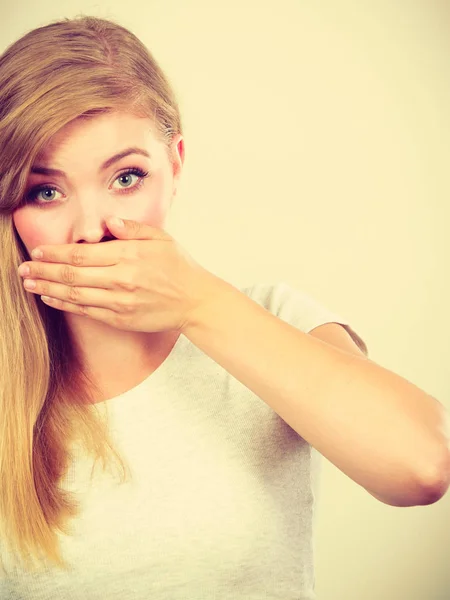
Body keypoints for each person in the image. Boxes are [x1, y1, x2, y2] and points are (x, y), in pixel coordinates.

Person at [1, 14, 447, 600]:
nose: (90, 230)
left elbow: (421, 467)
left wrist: (195, 301)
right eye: (46, 191)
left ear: (176, 164)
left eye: (127, 177)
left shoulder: (273, 316)